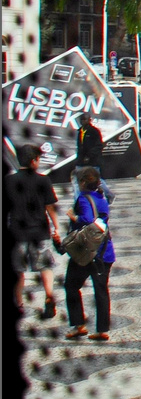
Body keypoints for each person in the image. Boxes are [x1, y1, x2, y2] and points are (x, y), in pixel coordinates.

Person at [7, 145, 61, 319]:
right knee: (45, 267)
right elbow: (50, 207)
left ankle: (19, 304)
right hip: (40, 232)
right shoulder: (43, 180)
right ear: (34, 161)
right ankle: (49, 298)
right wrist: (56, 227)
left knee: (17, 271)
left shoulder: (8, 181)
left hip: (16, 233)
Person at [63, 168, 114, 341]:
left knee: (71, 285)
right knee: (101, 290)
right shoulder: (101, 198)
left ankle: (79, 325)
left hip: (85, 253)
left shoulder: (84, 198)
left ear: (83, 182)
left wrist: (73, 216)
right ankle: (102, 330)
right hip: (104, 251)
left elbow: (86, 219)